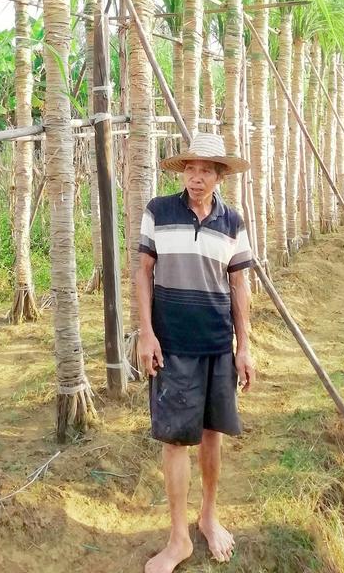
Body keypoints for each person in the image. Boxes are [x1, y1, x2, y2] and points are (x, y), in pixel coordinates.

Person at [136, 132, 256, 572]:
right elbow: (143, 272)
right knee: (174, 440)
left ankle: (208, 516)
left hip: (217, 345)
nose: (197, 177)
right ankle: (178, 538)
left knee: (212, 433)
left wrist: (244, 347)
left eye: (207, 170)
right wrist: (146, 334)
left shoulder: (233, 222)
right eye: (191, 168)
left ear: (220, 175)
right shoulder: (159, 211)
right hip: (173, 347)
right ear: (181, 172)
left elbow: (239, 284)